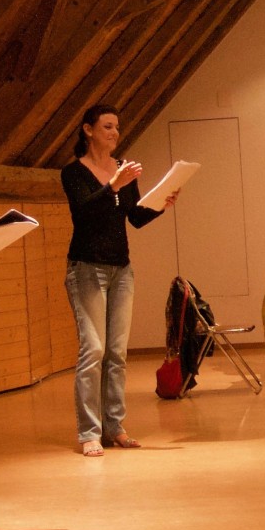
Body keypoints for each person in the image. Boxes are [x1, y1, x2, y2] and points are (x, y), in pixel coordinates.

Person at [62, 104, 174, 456]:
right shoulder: (73, 172)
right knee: (93, 349)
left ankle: (115, 427)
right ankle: (89, 432)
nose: (114, 133)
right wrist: (113, 184)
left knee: (117, 352)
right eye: (107, 126)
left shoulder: (123, 170)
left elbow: (134, 218)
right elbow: (85, 214)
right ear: (88, 130)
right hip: (87, 268)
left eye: (117, 127)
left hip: (120, 269)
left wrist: (160, 205)